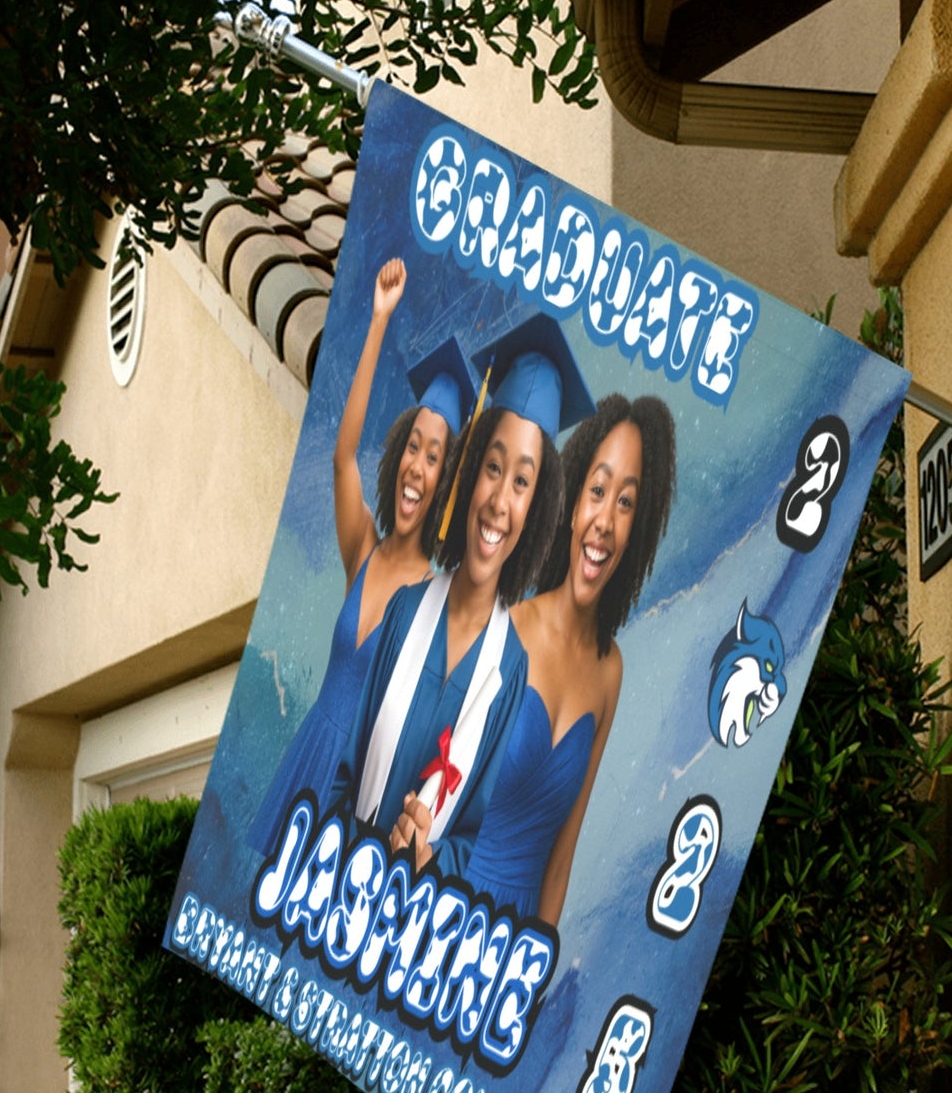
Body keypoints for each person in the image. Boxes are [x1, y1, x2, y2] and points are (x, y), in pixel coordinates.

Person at [336, 312, 595, 880]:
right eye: (493, 468)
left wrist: (429, 856)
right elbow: (344, 767)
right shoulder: (404, 611)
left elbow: (473, 838)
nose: (500, 500)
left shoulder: (510, 674)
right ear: (470, 471)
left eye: (522, 482)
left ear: (537, 506)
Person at [244, 259, 475, 855]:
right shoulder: (363, 550)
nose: (416, 467)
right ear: (398, 452)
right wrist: (378, 320)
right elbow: (343, 456)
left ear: (444, 482)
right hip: (308, 758)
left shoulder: (435, 598)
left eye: (433, 457)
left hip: (359, 797)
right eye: (412, 448)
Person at [461, 392, 677, 925]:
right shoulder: (504, 629)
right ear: (573, 506)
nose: (605, 520)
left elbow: (562, 857)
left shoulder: (610, 672)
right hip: (444, 907)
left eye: (625, 502)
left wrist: (531, 978)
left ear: (639, 528)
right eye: (598, 491)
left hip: (516, 944)